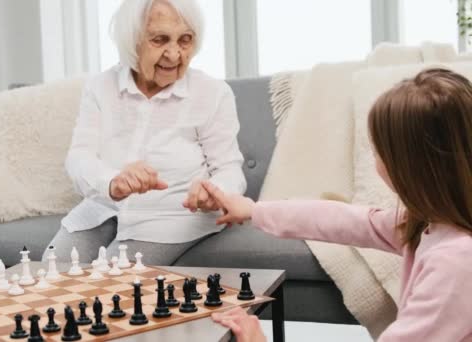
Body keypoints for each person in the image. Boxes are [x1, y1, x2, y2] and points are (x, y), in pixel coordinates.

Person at [207, 68, 472, 341]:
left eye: (378, 150)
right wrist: (254, 210)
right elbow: (342, 220)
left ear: (408, 166)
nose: (375, 159)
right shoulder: (430, 223)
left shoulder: (454, 263)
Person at [43, 0, 245, 265]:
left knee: (112, 283)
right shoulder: (100, 87)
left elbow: (230, 170)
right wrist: (113, 181)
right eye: (160, 40)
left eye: (184, 40)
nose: (174, 54)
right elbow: (80, 156)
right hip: (104, 208)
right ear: (132, 41)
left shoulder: (212, 93)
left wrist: (214, 193)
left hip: (171, 216)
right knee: (50, 273)